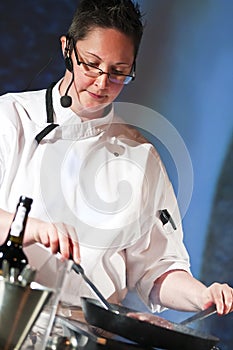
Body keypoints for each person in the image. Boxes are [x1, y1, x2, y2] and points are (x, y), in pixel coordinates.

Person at [0, 0, 232, 319]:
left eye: (118, 72)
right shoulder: (13, 117)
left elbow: (158, 269)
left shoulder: (141, 157)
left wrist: (202, 294)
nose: (101, 83)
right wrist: (30, 228)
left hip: (88, 331)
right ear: (67, 49)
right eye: (91, 65)